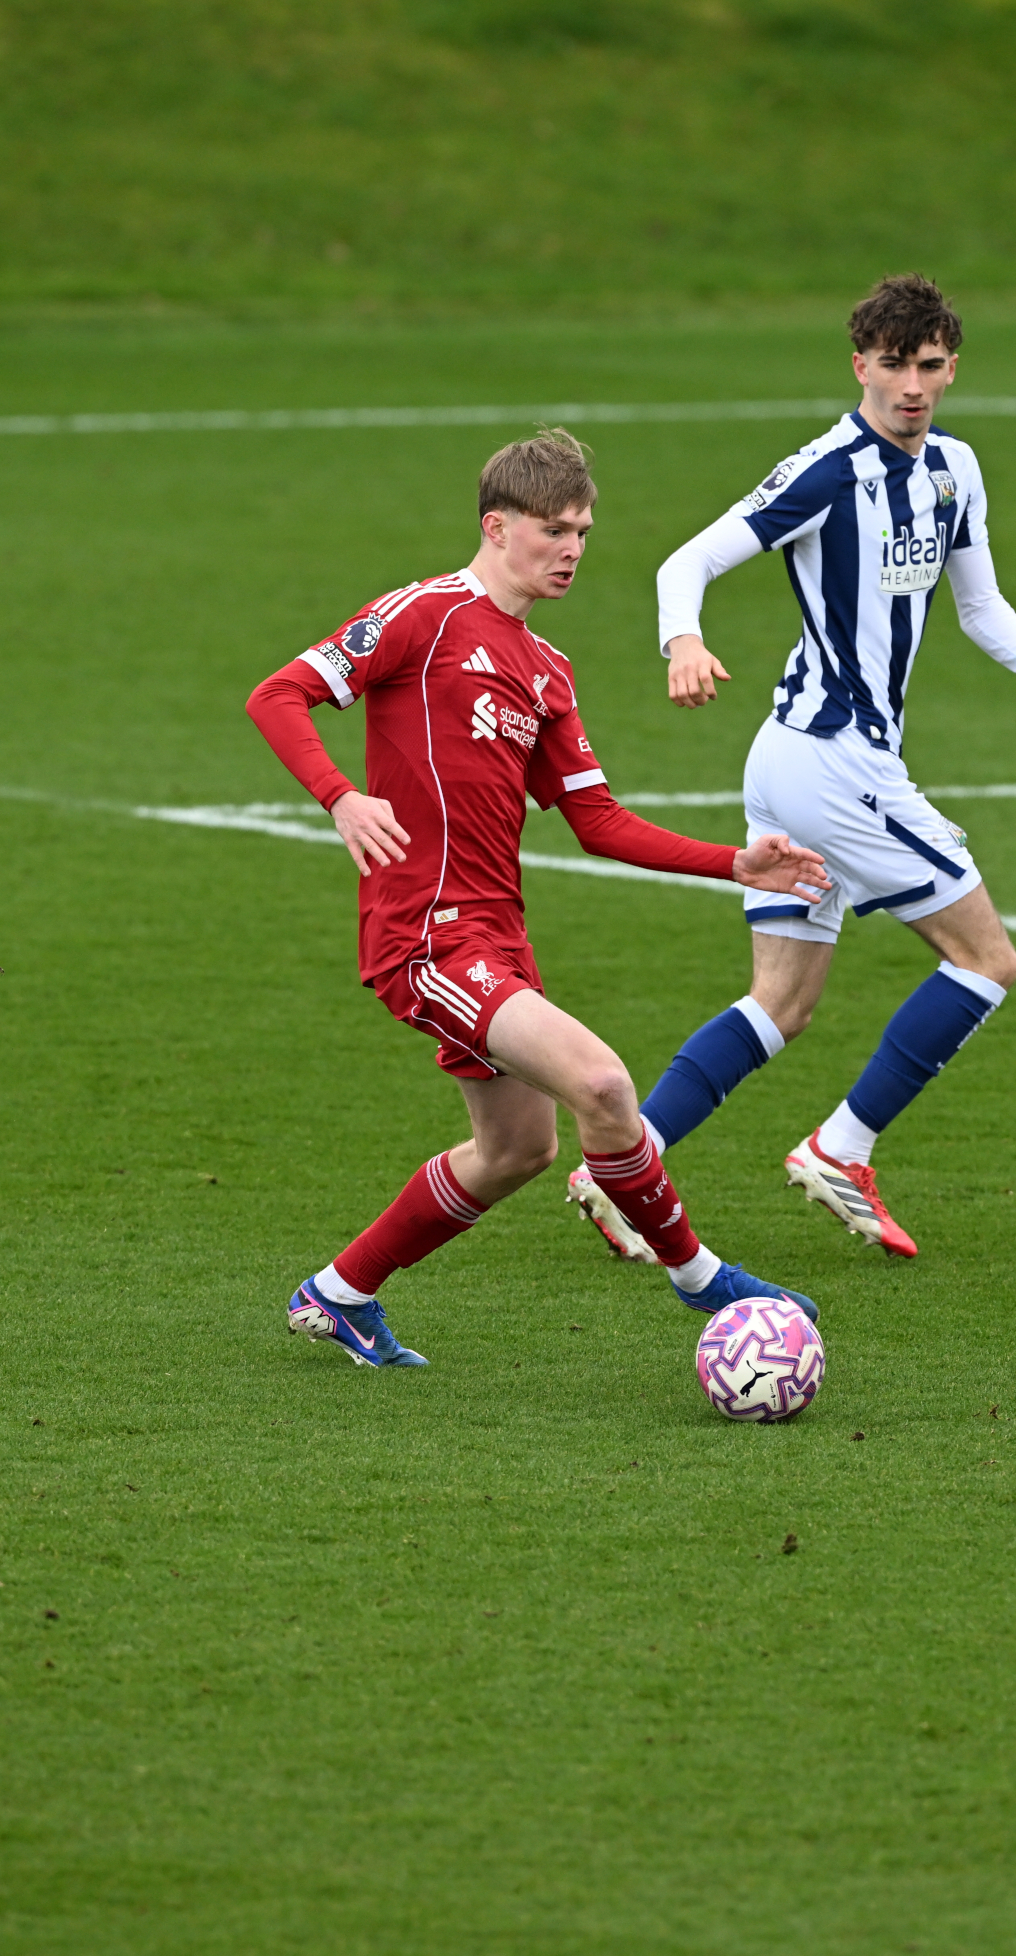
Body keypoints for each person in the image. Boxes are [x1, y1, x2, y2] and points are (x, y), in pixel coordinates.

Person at [245, 430, 832, 1368]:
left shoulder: (547, 669)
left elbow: (598, 822)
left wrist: (736, 864)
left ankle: (339, 1295)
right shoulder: (424, 615)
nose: (571, 550)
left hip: (498, 938)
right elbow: (279, 695)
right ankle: (699, 1277)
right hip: (427, 933)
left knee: (519, 1149)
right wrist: (341, 797)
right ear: (497, 526)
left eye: (583, 532)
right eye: (553, 530)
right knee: (603, 1084)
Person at [565, 273, 1016, 1264]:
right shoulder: (827, 470)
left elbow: (978, 602)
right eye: (894, 365)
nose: (912, 385)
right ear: (861, 366)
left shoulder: (955, 469)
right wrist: (684, 640)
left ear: (951, 367)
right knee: (986, 959)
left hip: (807, 762)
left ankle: (619, 1168)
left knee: (784, 1002)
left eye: (929, 365)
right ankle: (840, 1148)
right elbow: (684, 563)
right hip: (828, 762)